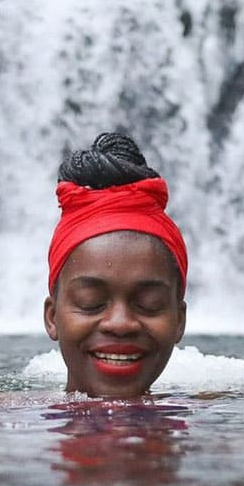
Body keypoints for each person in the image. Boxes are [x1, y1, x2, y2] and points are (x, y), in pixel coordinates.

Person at [44, 132, 187, 398]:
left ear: (179, 321)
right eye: (90, 302)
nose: (120, 324)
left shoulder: (228, 417)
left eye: (149, 304)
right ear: (52, 317)